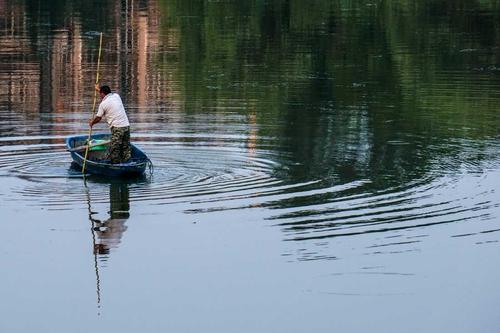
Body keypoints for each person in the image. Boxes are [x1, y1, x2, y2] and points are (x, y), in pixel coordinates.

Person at [89, 85, 131, 163]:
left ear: (102, 94)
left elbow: (98, 118)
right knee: (126, 147)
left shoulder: (103, 104)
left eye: (100, 94)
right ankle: (127, 162)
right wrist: (99, 89)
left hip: (117, 128)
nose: (100, 96)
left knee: (114, 149)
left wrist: (92, 122)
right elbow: (106, 94)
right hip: (126, 126)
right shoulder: (116, 96)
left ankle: (116, 165)